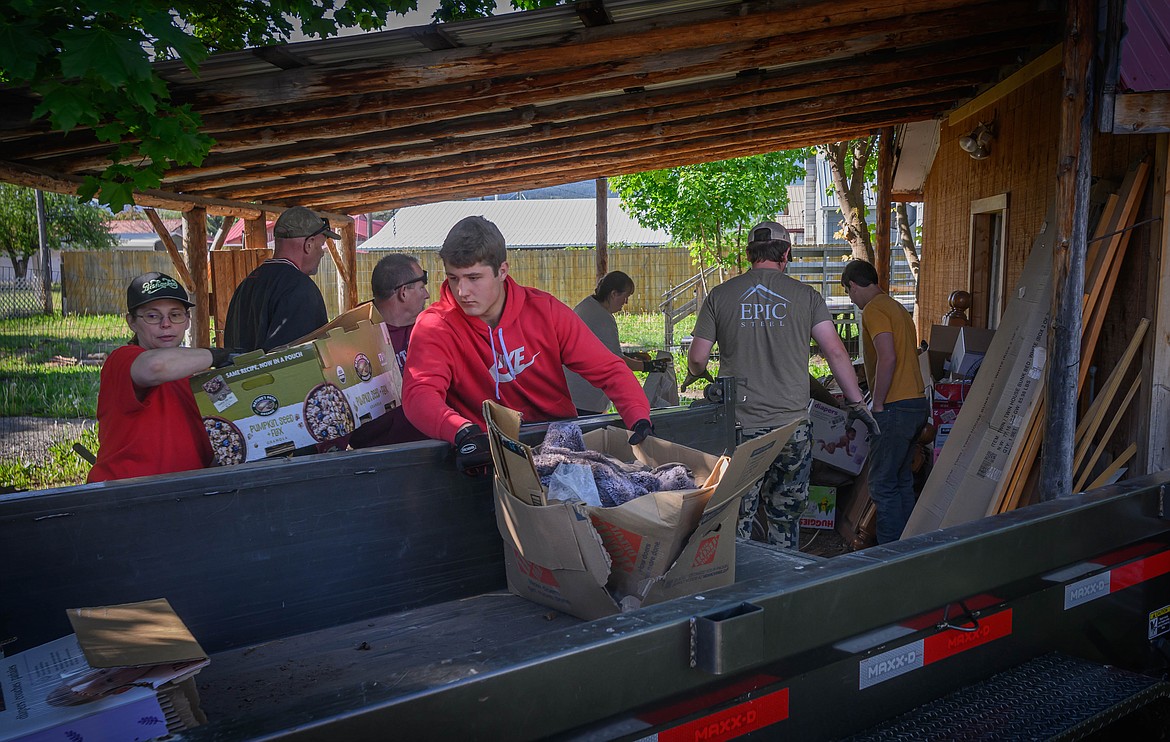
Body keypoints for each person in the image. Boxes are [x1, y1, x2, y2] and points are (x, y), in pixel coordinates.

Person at [402, 216, 653, 471]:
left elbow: (608, 368)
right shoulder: (435, 324)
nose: (462, 291)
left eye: (474, 277)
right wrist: (461, 431)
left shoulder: (545, 310)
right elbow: (419, 395)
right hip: (482, 455)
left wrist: (637, 414)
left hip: (559, 452)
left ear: (502, 271)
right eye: (453, 278)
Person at [686, 221, 876, 549]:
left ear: (749, 255)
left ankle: (739, 584)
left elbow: (698, 358)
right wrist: (857, 402)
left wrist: (701, 375)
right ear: (785, 253)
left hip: (740, 428)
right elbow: (834, 351)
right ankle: (781, 582)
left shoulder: (720, 296)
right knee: (785, 512)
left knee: (739, 513)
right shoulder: (806, 297)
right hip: (792, 428)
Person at [88, 272, 232, 483]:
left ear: (187, 321)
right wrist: (220, 355)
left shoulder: (192, 376)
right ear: (132, 322)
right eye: (153, 316)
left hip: (183, 497)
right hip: (127, 497)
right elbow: (156, 366)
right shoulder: (123, 360)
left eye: (175, 314)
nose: (166, 324)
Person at [841, 259, 928, 543]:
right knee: (901, 480)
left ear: (853, 285)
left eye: (848, 293)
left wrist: (876, 403)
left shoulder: (874, 309)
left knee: (881, 484)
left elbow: (887, 357)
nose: (852, 300)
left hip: (894, 406)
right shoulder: (896, 307)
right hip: (915, 402)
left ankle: (889, 556)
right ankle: (908, 547)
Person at [222, 206, 338, 353]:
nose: (322, 253)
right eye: (321, 246)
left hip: (240, 376)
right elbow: (298, 360)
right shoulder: (300, 288)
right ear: (309, 245)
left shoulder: (247, 284)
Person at [349, 254, 429, 448]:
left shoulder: (430, 329)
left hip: (429, 446)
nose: (426, 294)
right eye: (421, 287)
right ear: (403, 292)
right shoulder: (353, 337)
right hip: (373, 455)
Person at [565, 271, 671, 415]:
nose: (626, 302)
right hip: (585, 397)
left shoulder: (587, 305)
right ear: (614, 294)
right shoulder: (603, 318)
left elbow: (598, 350)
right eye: (625, 296)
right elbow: (616, 361)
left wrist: (632, 355)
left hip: (572, 392)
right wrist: (649, 366)